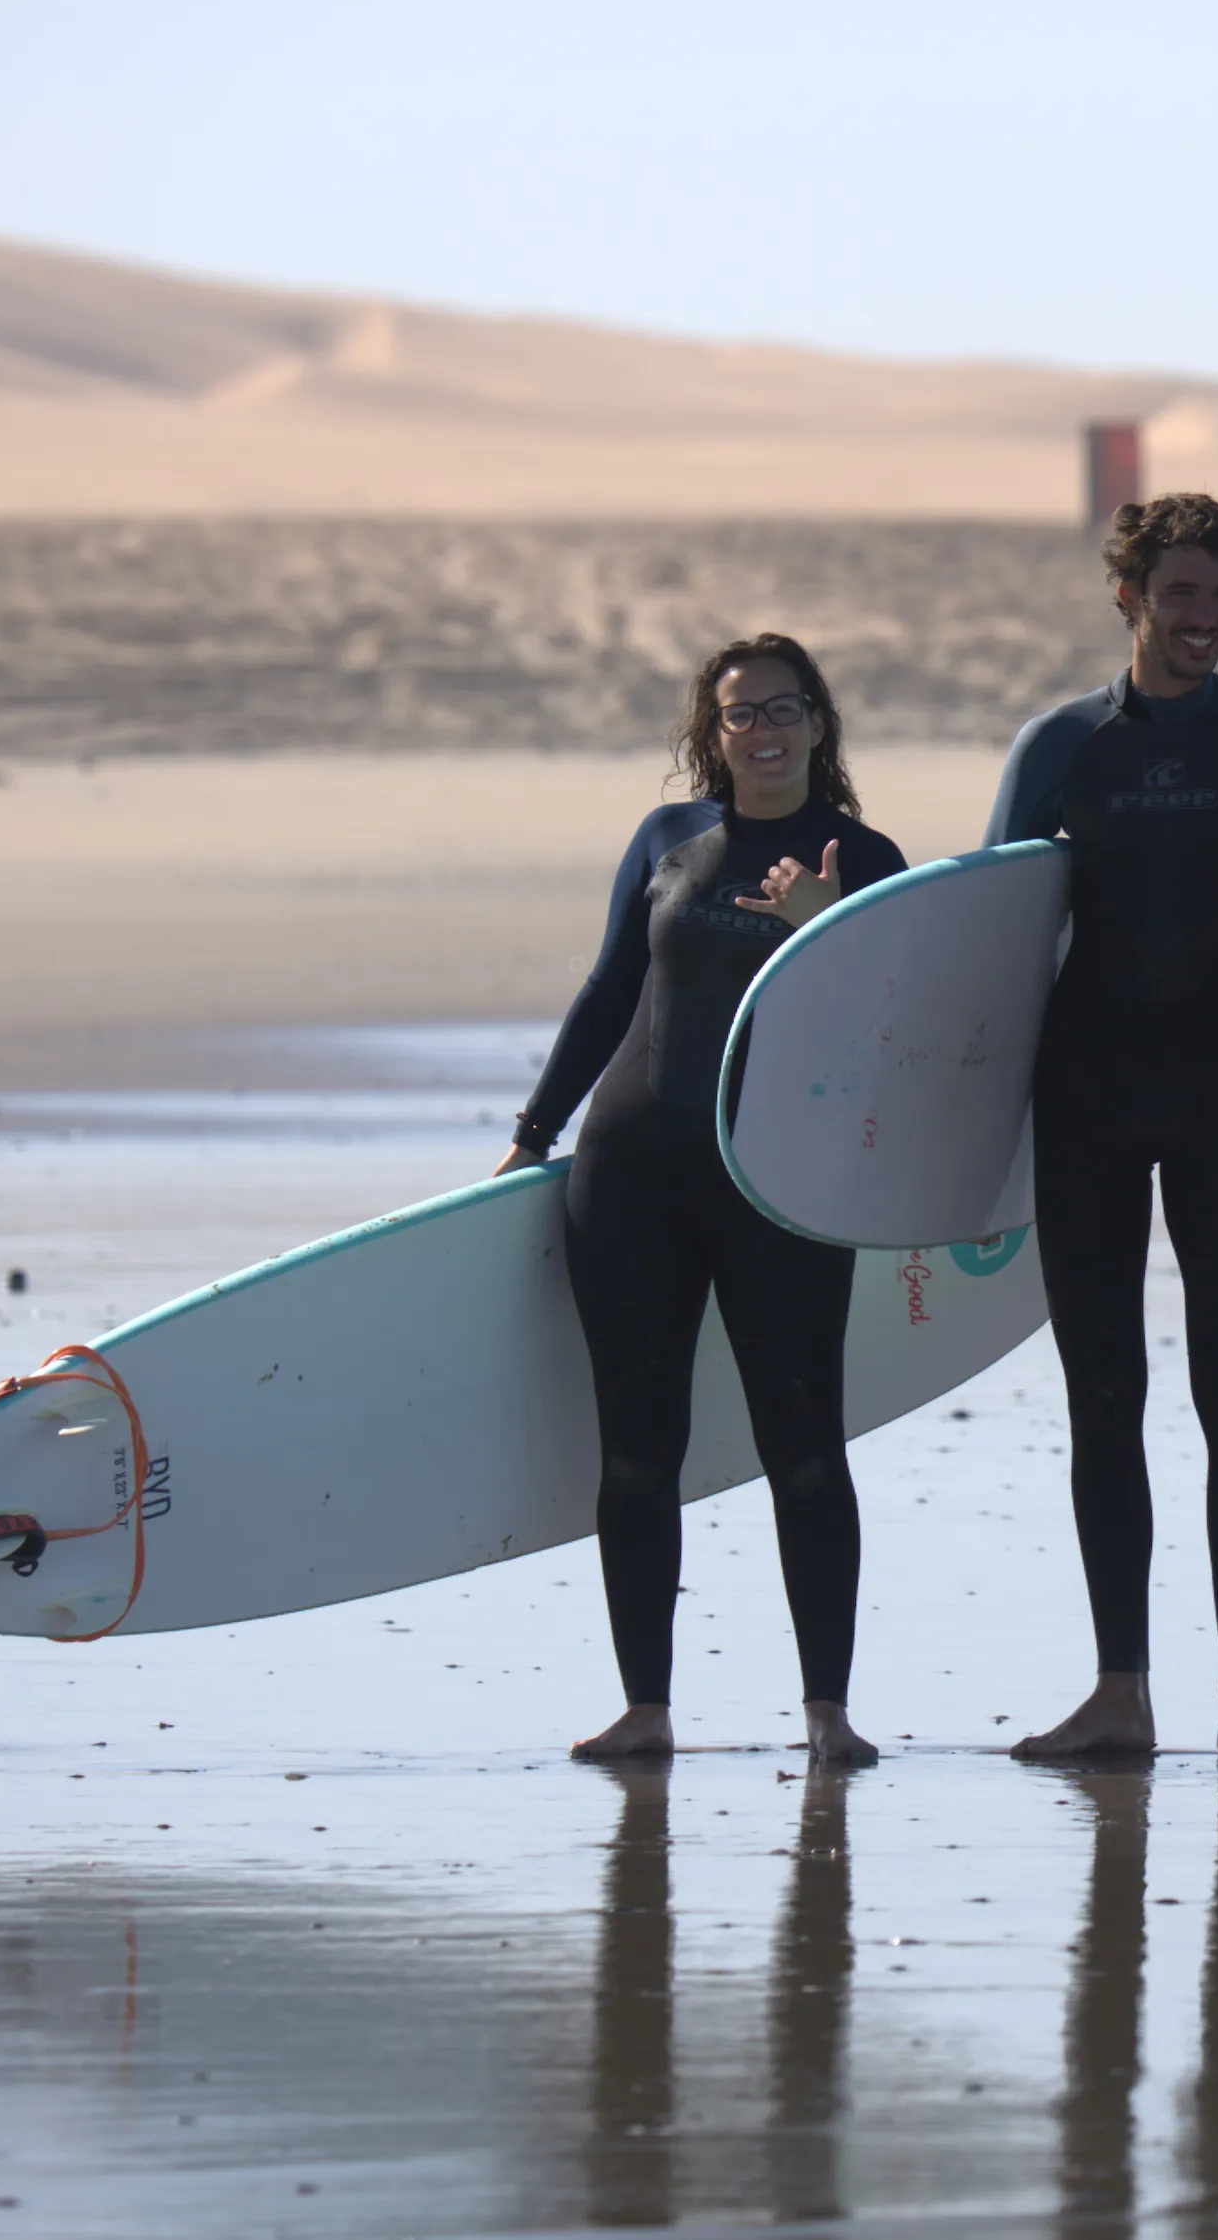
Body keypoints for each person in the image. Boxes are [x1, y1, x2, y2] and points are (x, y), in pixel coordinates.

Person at [984, 492, 1218, 1769]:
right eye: (1179, 597)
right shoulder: (1058, 747)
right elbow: (986, 953)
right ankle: (1121, 1690)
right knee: (1105, 1401)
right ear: (1128, 599)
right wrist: (963, 1146)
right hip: (1082, 1101)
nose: (1204, 620)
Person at [495, 632, 907, 1766]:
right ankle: (646, 1709)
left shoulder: (864, 859)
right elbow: (606, 991)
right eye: (741, 714)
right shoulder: (668, 839)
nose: (764, 730)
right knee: (636, 1449)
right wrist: (532, 1134)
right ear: (711, 733)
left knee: (805, 1442)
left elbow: (889, 1042)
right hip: (631, 1173)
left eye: (785, 709)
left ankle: (828, 1712)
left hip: (782, 1186)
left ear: (819, 724)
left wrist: (821, 925)